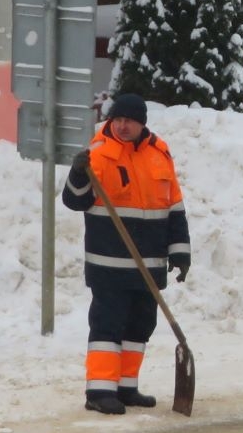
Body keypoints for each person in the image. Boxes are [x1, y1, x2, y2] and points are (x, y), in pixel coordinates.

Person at [63, 92, 190, 414]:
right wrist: (78, 174)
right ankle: (99, 390)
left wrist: (179, 252)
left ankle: (125, 386)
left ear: (141, 123)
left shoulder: (159, 155)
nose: (121, 126)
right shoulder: (98, 154)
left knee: (139, 325)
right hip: (109, 262)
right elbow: (74, 200)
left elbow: (174, 207)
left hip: (148, 264)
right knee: (108, 325)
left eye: (128, 121)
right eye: (117, 119)